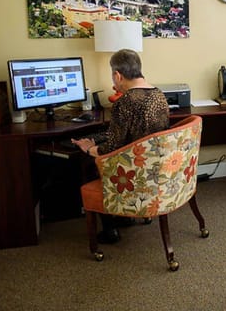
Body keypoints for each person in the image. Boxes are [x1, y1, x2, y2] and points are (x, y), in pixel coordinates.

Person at [72, 48, 170, 243]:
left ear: (118, 75)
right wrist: (99, 139)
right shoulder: (159, 95)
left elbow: (112, 147)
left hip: (134, 174)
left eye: (113, 76)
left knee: (91, 165)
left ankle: (110, 230)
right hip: (156, 168)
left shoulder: (124, 103)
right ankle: (125, 215)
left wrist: (89, 148)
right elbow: (130, 133)